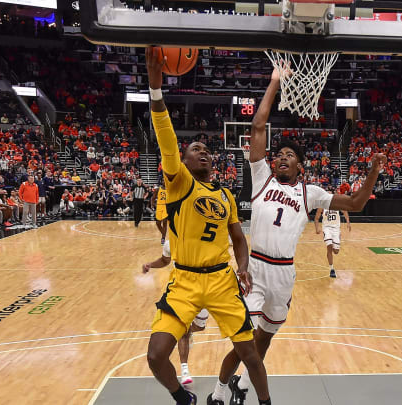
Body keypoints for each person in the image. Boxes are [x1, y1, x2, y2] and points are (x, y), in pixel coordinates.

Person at [226, 66, 386, 405]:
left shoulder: (309, 192)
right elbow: (257, 126)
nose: (282, 157)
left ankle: (239, 381)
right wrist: (273, 82)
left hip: (284, 273)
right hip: (255, 269)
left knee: (265, 339)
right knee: (245, 337)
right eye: (279, 154)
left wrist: (372, 172)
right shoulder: (262, 179)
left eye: (290, 155)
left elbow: (356, 203)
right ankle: (225, 391)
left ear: (300, 166)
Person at [145, 47, 271, 405]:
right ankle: (183, 399)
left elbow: (239, 239)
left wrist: (243, 267)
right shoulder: (179, 183)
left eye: (205, 149)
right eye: (194, 149)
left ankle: (265, 403)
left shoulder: (227, 196)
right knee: (156, 356)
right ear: (182, 163)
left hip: (221, 281)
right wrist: (156, 91)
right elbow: (166, 140)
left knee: (250, 355)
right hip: (184, 281)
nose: (203, 152)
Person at [143, 239, 210, 386]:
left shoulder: (204, 238)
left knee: (200, 326)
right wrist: (151, 265)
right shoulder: (171, 242)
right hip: (181, 291)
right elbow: (164, 260)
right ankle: (184, 369)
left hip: (205, 288)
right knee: (183, 330)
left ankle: (188, 330)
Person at [314, 207, 350, 278]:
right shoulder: (322, 206)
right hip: (327, 228)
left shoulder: (336, 204)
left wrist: (348, 222)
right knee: (329, 246)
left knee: (336, 251)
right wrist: (317, 228)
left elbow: (345, 211)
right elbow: (316, 218)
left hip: (336, 229)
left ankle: (336, 241)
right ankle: (332, 269)